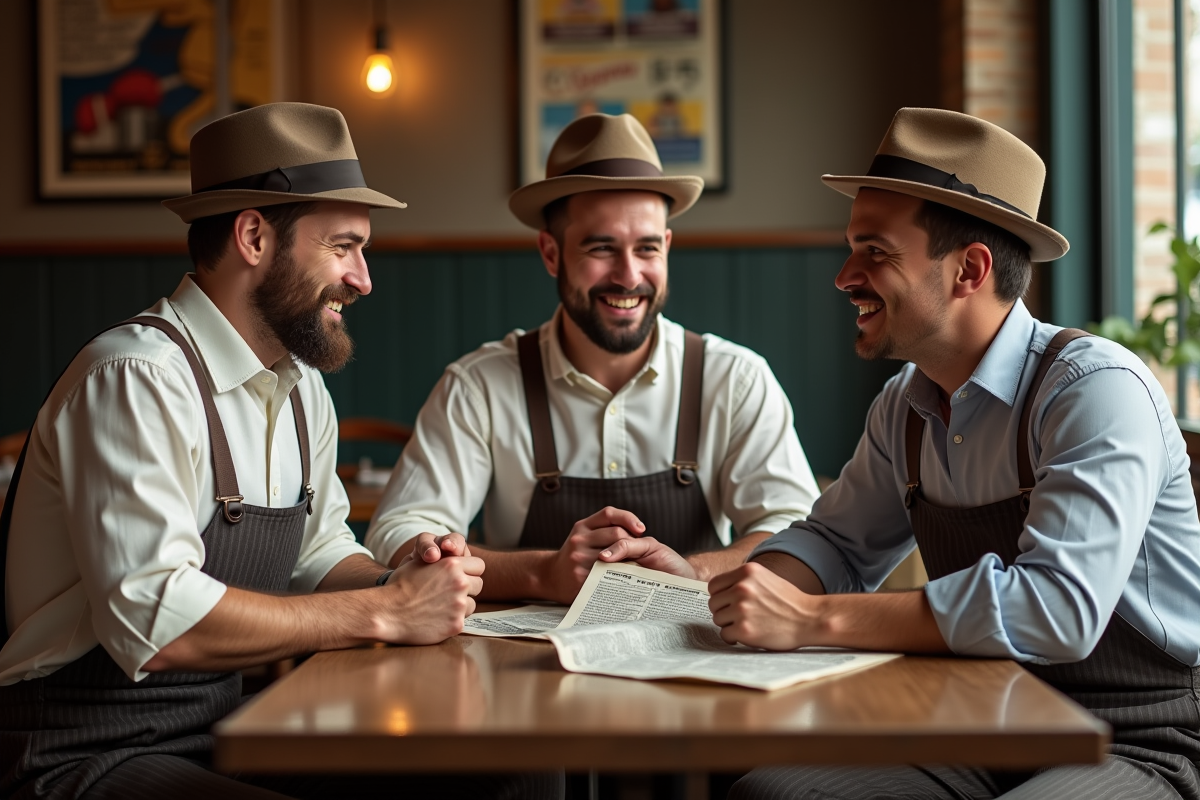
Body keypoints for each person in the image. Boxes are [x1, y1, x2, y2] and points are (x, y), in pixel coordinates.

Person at [0, 103, 560, 800]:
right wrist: (384, 613)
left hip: (230, 730)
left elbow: (317, 554)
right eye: (342, 246)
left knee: (517, 767)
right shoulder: (136, 378)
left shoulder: (299, 390)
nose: (363, 279)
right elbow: (155, 620)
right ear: (254, 237)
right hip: (81, 756)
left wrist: (398, 579)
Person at [713, 107, 1200, 799]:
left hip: (1139, 740)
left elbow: (1054, 608)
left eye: (875, 252)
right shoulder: (903, 405)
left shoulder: (1095, 390)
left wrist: (814, 619)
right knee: (771, 792)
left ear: (969, 270)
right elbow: (836, 543)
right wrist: (749, 588)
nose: (845, 275)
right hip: (983, 723)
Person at [366, 113, 819, 603]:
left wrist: (692, 572)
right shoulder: (480, 384)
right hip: (524, 668)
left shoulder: (736, 378)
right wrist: (541, 573)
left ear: (666, 247)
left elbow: (794, 532)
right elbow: (399, 530)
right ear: (551, 253)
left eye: (647, 248)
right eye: (602, 248)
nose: (628, 276)